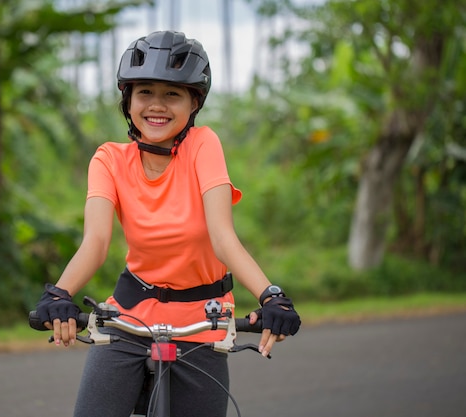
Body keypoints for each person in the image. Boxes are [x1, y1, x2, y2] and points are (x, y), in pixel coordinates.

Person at [35, 30, 301, 417]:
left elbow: (223, 237)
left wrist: (271, 295)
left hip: (202, 321)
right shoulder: (108, 160)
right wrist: (59, 294)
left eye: (172, 94)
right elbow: (95, 241)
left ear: (194, 102)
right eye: (145, 92)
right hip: (129, 317)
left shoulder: (203, 146)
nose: (156, 106)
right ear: (128, 100)